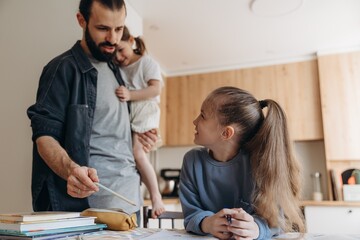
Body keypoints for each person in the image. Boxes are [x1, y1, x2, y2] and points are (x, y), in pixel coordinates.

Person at [26, 0, 157, 221]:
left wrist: (144, 135)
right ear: (81, 20)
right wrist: (71, 171)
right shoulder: (62, 68)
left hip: (130, 201)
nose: (113, 39)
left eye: (118, 29)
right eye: (103, 28)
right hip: (84, 210)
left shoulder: (119, 69)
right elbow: (44, 136)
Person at [179, 86, 305, 239]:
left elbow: (279, 219)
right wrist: (207, 223)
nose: (195, 121)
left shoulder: (262, 163)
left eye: (203, 115)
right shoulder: (192, 161)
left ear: (226, 133)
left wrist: (256, 228)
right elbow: (191, 214)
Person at [113, 26, 165, 218]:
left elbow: (155, 90)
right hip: (133, 114)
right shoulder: (117, 67)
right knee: (136, 156)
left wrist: (130, 95)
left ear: (131, 41)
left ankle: (155, 196)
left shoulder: (146, 62)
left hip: (145, 111)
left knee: (138, 153)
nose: (118, 56)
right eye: (114, 51)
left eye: (121, 50)